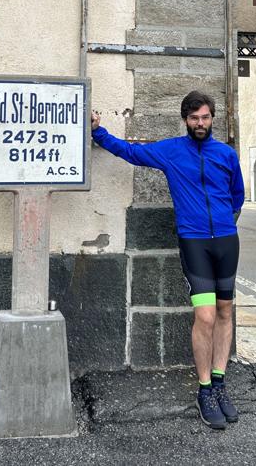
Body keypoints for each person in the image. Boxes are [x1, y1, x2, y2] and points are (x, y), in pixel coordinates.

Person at [91, 90, 244, 430]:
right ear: (185, 120)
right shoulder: (172, 151)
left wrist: (223, 224)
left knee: (225, 312)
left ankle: (219, 384)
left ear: (212, 118)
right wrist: (98, 132)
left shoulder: (226, 154)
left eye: (204, 117)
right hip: (194, 243)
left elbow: (238, 196)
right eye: (193, 118)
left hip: (226, 242)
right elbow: (132, 152)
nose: (199, 123)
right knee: (204, 316)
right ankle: (204, 389)